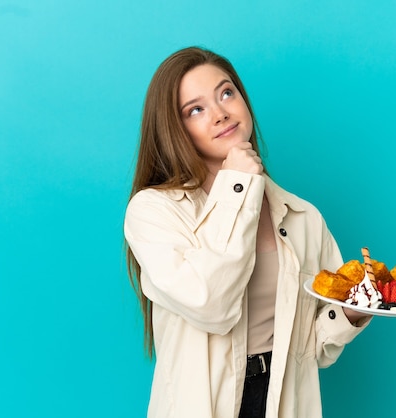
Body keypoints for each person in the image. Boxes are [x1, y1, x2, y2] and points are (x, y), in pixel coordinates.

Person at [123, 46, 372, 418]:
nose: (220, 113)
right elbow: (213, 306)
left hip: (283, 402)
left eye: (226, 93)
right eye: (196, 109)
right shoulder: (154, 212)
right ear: (176, 130)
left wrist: (353, 311)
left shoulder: (303, 217)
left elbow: (313, 350)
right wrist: (237, 182)